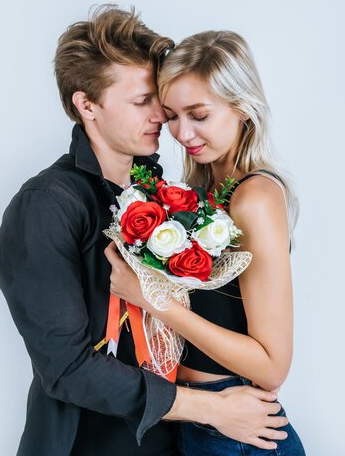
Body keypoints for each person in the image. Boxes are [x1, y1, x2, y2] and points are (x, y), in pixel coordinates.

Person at [0, 9, 289, 456]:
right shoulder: (47, 205)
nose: (161, 119)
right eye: (141, 102)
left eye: (160, 103)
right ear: (86, 105)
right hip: (90, 445)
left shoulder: (163, 193)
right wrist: (209, 409)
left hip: (180, 442)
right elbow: (67, 367)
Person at [106, 29, 306, 455]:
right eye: (173, 115)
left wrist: (153, 299)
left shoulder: (253, 197)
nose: (182, 132)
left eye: (199, 115)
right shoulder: (208, 189)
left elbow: (272, 367)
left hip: (238, 434)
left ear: (242, 108)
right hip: (203, 422)